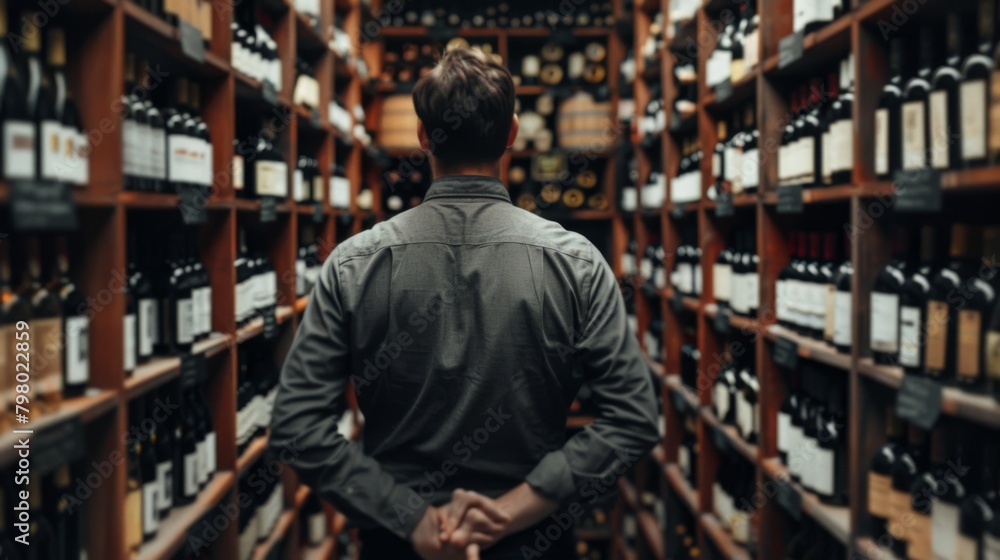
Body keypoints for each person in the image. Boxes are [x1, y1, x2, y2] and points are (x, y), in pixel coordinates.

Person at [269, 47, 660, 560]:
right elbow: (634, 418)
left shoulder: (353, 264)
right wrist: (514, 508)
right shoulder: (576, 262)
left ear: (423, 137)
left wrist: (412, 519)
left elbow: (296, 427)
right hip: (533, 541)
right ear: (512, 135)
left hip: (401, 546)